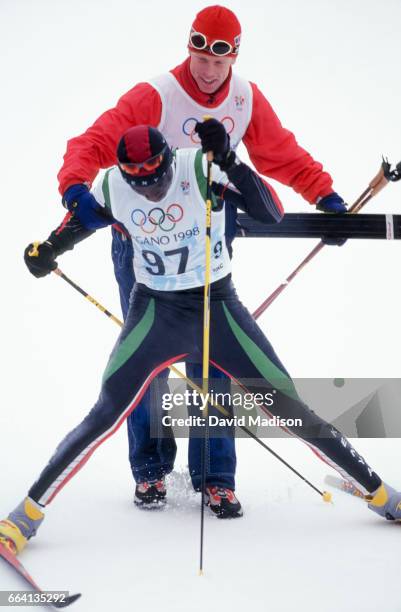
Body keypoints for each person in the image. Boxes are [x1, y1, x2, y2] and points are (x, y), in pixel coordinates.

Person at [0, 121, 398, 556]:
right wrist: (52, 248)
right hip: (155, 311)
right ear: (124, 170)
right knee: (106, 413)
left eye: (156, 174)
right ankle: (23, 519)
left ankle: (384, 497)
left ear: (168, 160)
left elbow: (270, 213)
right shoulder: (114, 185)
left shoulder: (200, 168)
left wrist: (230, 161)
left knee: (288, 406)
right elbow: (86, 220)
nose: (150, 189)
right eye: (138, 178)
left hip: (218, 308)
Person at [57, 5, 347, 507]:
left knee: (211, 358)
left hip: (210, 247)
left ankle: (215, 475)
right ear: (188, 47)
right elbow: (95, 141)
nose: (208, 70)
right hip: (142, 248)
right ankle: (149, 469)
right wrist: (74, 188)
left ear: (234, 55)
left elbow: (281, 153)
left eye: (220, 59)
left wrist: (324, 196)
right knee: (147, 364)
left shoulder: (244, 98)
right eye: (199, 55)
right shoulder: (156, 95)